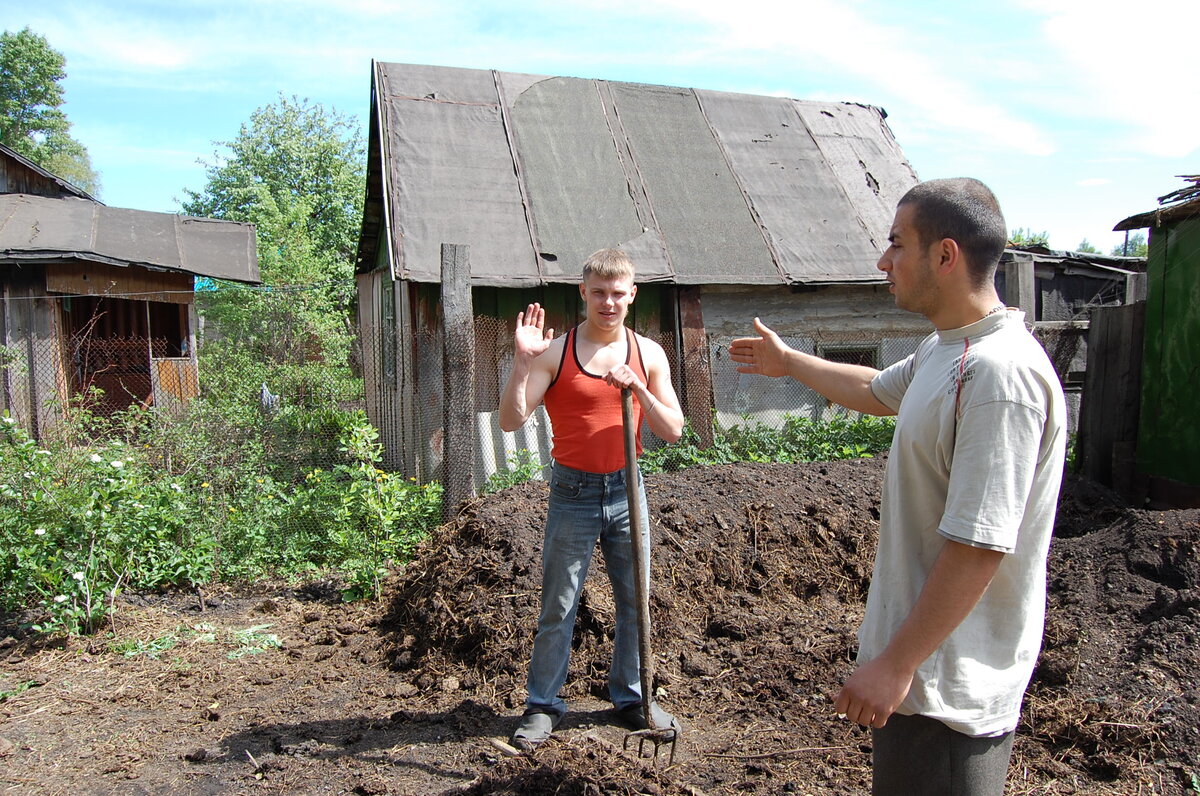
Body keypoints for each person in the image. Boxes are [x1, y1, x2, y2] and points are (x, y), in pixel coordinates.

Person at [728, 178, 1066, 795]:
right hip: (919, 677)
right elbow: (874, 388)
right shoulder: (948, 350)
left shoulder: (999, 378)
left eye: (896, 244)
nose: (883, 261)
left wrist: (895, 664)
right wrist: (791, 362)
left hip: (948, 692)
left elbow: (980, 545)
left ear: (945, 254)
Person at [498, 247, 685, 750]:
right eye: (598, 293)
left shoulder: (648, 353)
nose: (608, 302)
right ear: (583, 292)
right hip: (573, 492)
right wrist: (521, 362)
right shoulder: (556, 352)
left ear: (632, 295)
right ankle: (542, 706)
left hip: (628, 488)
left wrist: (639, 389)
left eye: (617, 293)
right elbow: (511, 420)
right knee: (559, 604)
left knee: (635, 601)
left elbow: (674, 430)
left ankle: (633, 697)